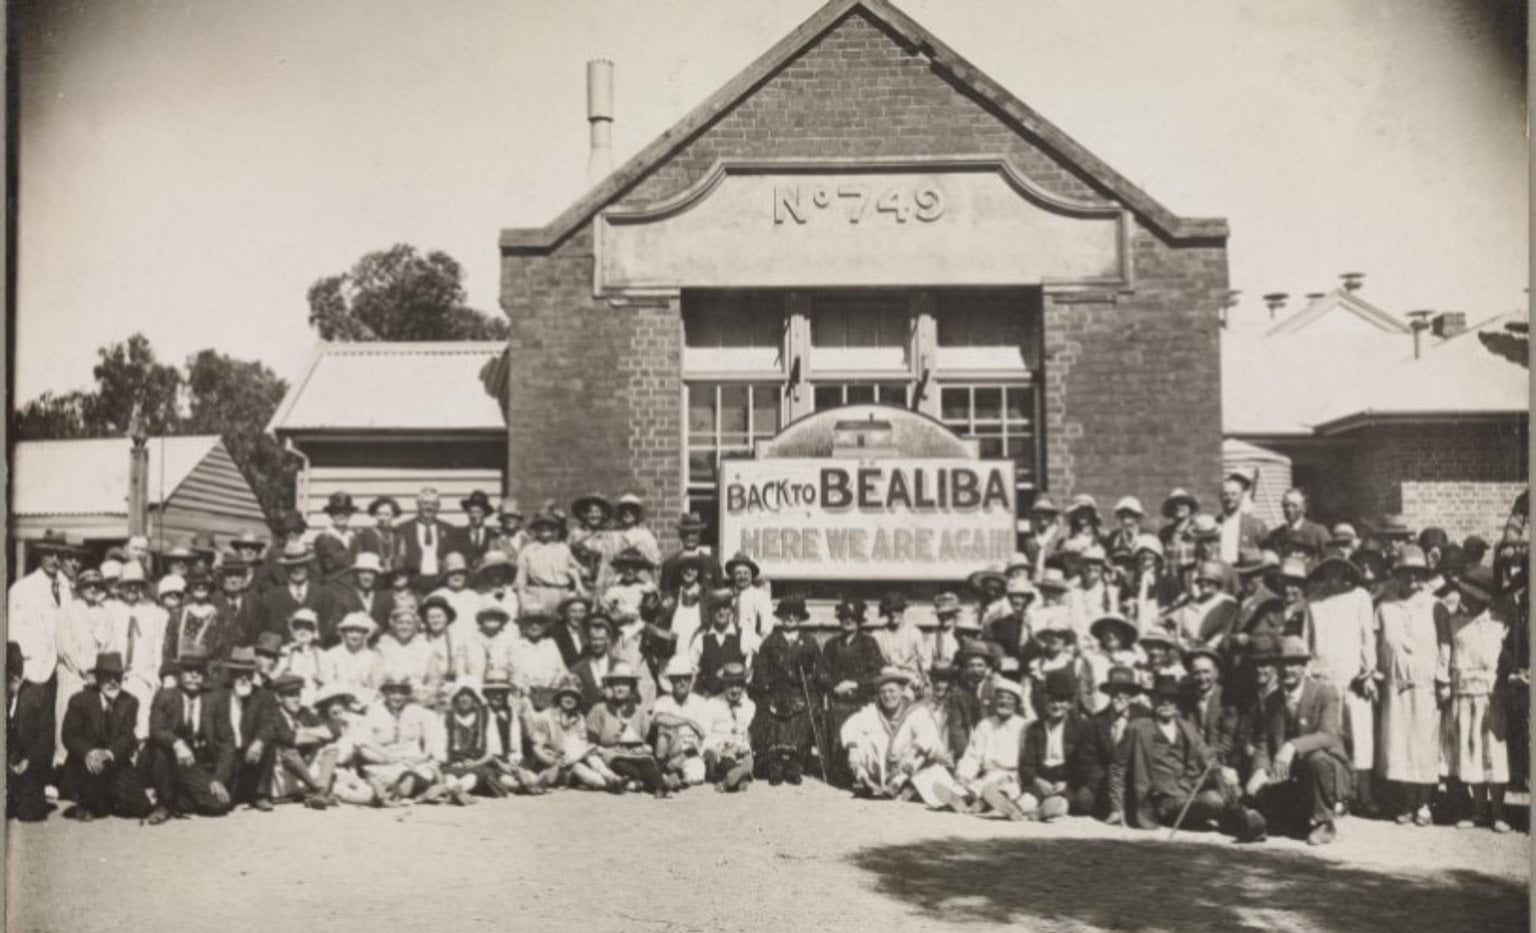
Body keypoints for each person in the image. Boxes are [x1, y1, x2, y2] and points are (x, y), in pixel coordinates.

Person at [1108, 675, 1266, 840]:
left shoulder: (1186, 727)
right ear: (1152, 699)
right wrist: (1116, 807)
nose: (1166, 703)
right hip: (1162, 802)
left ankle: (1245, 824)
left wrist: (1224, 770)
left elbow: (1207, 756)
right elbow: (1117, 767)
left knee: (1225, 782)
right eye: (1161, 698)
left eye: (1171, 699)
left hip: (1188, 791)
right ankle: (1241, 822)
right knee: (1213, 800)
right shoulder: (1138, 728)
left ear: (1177, 702)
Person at [1245, 636, 1353, 845]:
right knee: (1258, 798)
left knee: (1317, 759)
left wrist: (1291, 746)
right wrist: (1258, 770)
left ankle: (1324, 823)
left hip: (1326, 770)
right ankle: (1286, 818)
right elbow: (1264, 742)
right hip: (1289, 772)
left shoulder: (1324, 692)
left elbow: (1328, 735)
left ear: (1305, 667)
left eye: (1294, 664)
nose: (1288, 670)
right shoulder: (1273, 699)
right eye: (1283, 664)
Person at [1438, 566, 1513, 832]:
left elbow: (1508, 658)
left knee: (1493, 752)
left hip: (1490, 695)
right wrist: (1445, 683)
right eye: (1464, 595)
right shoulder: (1453, 622)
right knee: (1471, 752)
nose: (1467, 600)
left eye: (1474, 597)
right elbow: (1446, 657)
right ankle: (1479, 810)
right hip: (1463, 695)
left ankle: (1499, 812)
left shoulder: (1499, 623)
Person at [1305, 549, 1379, 813]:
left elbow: (1367, 637)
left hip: (1353, 678)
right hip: (1324, 677)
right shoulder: (1313, 601)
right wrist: (1309, 675)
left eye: (1338, 569)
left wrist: (1369, 671)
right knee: (1333, 738)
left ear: (1346, 571)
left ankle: (1365, 795)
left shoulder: (1359, 597)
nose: (1333, 576)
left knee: (1360, 736)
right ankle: (1337, 795)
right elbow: (1307, 642)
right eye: (1328, 570)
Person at [1375, 545, 1442, 826]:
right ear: (1398, 576)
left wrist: (1443, 678)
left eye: (1416, 576)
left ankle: (1424, 803)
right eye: (1406, 575)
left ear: (1423, 577)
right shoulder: (1385, 607)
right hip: (1395, 685)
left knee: (1423, 743)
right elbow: (1377, 644)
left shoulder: (1434, 606)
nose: (1411, 582)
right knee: (1399, 743)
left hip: (1426, 685)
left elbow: (1445, 645)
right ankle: (1405, 802)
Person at [142, 647, 237, 824]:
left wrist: (218, 778)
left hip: (196, 765)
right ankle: (164, 803)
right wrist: (177, 743)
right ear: (179, 674)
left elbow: (227, 742)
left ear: (205, 675)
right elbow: (155, 730)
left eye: (199, 671)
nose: (194, 675)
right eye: (188, 671)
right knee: (159, 751)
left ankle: (177, 799)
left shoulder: (215, 700)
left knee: (219, 804)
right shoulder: (165, 696)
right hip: (170, 759)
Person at [840, 668, 958, 805]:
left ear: (902, 692)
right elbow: (851, 725)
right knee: (861, 740)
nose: (888, 696)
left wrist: (913, 750)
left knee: (923, 749)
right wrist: (853, 750)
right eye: (883, 693)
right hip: (879, 768)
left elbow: (928, 735)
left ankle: (897, 784)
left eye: (892, 691)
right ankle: (864, 780)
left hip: (905, 766)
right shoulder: (872, 711)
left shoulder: (915, 712)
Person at [10, 530, 78, 766]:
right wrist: (20, 667)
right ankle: (26, 777)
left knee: (56, 722)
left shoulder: (68, 589)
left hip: (61, 668)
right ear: (39, 555)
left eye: (59, 554)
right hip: (34, 667)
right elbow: (13, 634)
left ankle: (52, 776)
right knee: (29, 725)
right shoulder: (22, 588)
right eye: (49, 554)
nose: (55, 560)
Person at [58, 651, 152, 821]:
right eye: (107, 677)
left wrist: (109, 753)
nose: (113, 682)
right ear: (98, 678)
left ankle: (106, 798)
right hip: (84, 763)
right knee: (98, 809)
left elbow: (126, 737)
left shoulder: (130, 702)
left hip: (114, 761)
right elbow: (69, 736)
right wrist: (89, 752)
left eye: (117, 677)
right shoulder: (80, 700)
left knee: (141, 807)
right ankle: (85, 803)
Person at [749, 595, 827, 784]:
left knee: (807, 713)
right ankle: (775, 762)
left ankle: (796, 763)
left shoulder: (809, 642)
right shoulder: (770, 642)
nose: (790, 618)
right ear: (780, 617)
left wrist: (810, 676)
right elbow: (760, 670)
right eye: (786, 614)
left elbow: (819, 671)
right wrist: (766, 685)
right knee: (769, 715)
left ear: (800, 618)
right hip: (776, 692)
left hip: (800, 691)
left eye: (795, 614)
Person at [944, 678, 1032, 819]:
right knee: (971, 787)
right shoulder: (985, 725)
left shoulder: (1024, 727)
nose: (1004, 702)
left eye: (1009, 698)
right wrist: (964, 776)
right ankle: (960, 800)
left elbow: (1028, 760)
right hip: (988, 774)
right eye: (1001, 697)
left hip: (1011, 776)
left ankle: (984, 804)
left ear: (1016, 703)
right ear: (995, 701)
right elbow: (973, 755)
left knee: (1000, 789)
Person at [356, 675, 447, 806]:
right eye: (393, 692)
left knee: (425, 773)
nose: (397, 697)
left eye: (402, 693)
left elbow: (429, 741)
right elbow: (363, 746)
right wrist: (384, 760)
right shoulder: (373, 712)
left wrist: (422, 758)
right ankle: (404, 792)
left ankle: (397, 792)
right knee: (389, 776)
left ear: (407, 694)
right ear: (385, 693)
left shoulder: (417, 711)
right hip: (384, 763)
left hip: (413, 762)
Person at [823, 598, 885, 787]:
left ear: (859, 621)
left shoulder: (869, 643)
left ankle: (861, 774)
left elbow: (876, 671)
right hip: (839, 700)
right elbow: (822, 671)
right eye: (844, 617)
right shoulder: (831, 644)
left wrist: (855, 683)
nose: (848, 621)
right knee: (837, 737)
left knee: (860, 737)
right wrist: (834, 686)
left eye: (852, 617)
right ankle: (840, 775)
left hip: (861, 701)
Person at [54, 568, 113, 765]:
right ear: (80, 587)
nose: (93, 589)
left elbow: (108, 645)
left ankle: (89, 764)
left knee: (93, 719)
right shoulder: (68, 610)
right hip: (73, 673)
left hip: (96, 676)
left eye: (97, 585)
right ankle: (61, 765)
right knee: (68, 718)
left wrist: (99, 672)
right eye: (88, 585)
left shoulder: (105, 612)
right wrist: (82, 669)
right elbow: (64, 645)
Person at [1074, 665, 1146, 819]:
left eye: (1125, 691)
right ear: (1109, 693)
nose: (1120, 695)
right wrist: (1108, 783)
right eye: (1115, 690)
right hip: (1105, 781)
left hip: (1136, 780)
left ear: (1132, 694)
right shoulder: (1095, 722)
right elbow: (1088, 760)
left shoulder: (1145, 718)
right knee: (1082, 801)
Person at [106, 561, 169, 739]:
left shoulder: (154, 611)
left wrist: (156, 676)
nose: (132, 588)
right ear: (120, 586)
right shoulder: (109, 608)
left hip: (143, 676)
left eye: (137, 584)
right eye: (128, 584)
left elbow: (158, 645)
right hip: (115, 675)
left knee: (142, 725)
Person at [586, 662, 668, 797]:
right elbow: (591, 741)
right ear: (610, 686)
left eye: (624, 684)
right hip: (612, 755)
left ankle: (659, 787)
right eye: (616, 684)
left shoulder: (640, 711)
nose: (619, 688)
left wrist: (647, 748)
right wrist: (602, 750)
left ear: (631, 687)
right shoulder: (600, 709)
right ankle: (642, 783)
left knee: (649, 767)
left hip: (637, 753)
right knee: (627, 768)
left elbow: (649, 739)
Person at [1016, 669, 1086, 821]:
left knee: (1062, 802)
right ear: (1045, 701)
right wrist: (1037, 780)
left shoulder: (1080, 727)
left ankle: (1043, 812)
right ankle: (1018, 808)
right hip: (1042, 778)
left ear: (1069, 703)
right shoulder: (1035, 728)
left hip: (1064, 780)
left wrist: (1066, 783)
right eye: (1052, 700)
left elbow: (1084, 764)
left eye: (1061, 701)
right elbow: (1026, 763)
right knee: (1027, 799)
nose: (1056, 705)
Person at [263, 674, 342, 809]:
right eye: (291, 695)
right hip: (283, 775)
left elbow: (334, 731)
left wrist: (304, 731)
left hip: (304, 772)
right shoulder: (273, 716)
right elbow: (290, 739)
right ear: (278, 698)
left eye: (298, 694)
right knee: (287, 750)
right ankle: (318, 791)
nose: (297, 699)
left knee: (331, 746)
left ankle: (319, 791)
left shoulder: (303, 712)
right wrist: (315, 734)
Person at [526, 673, 614, 790]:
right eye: (566, 695)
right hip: (552, 764)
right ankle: (609, 783)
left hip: (573, 760)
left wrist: (583, 752)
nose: (570, 699)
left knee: (590, 755)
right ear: (559, 696)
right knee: (595, 780)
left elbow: (581, 744)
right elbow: (536, 748)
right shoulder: (546, 717)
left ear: (578, 700)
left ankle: (613, 778)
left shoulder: (579, 718)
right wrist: (552, 761)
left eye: (574, 696)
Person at [223, 646, 279, 812]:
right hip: (225, 757)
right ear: (231, 674)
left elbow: (271, 723)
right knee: (222, 804)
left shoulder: (263, 696)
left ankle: (259, 794)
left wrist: (259, 742)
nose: (244, 678)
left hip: (250, 756)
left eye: (248, 673)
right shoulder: (219, 695)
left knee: (268, 743)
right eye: (238, 673)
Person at [7, 641, 52, 822]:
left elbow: (46, 737)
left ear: (13, 677)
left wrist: (28, 760)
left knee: (29, 812)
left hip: (29, 766)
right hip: (8, 765)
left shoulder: (39, 694)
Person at [258, 541, 336, 645]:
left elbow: (327, 630)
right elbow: (267, 632)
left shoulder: (323, 594)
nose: (297, 569)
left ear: (308, 566)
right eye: (292, 565)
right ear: (285, 568)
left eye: (302, 565)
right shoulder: (272, 597)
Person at [652, 656, 711, 789]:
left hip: (691, 752)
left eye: (686, 678)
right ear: (671, 681)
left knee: (696, 776)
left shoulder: (700, 703)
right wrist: (687, 721)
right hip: (668, 752)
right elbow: (658, 719)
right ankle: (665, 770)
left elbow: (703, 735)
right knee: (665, 730)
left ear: (691, 680)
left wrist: (684, 756)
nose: (682, 682)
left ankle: (673, 776)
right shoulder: (662, 701)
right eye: (678, 678)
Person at [439, 682, 502, 804]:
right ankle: (457, 792)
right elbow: (441, 746)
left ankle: (455, 790)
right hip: (454, 764)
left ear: (475, 698)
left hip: (478, 763)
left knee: (473, 776)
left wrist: (476, 763)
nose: (464, 698)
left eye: (469, 695)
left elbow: (493, 751)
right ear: (456, 698)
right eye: (461, 695)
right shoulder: (447, 717)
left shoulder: (486, 716)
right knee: (449, 775)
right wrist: (450, 762)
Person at [515, 510, 587, 616]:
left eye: (549, 525)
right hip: (539, 593)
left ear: (555, 529)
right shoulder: (528, 550)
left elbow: (573, 569)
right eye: (541, 526)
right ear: (535, 529)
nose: (545, 528)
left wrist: (579, 583)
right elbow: (520, 581)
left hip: (563, 593)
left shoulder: (563, 548)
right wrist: (524, 602)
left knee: (561, 627)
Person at [689, 589, 758, 697]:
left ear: (731, 611)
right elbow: (692, 669)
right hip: (710, 700)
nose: (721, 612)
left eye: (725, 608)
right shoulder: (701, 638)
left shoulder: (744, 635)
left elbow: (752, 666)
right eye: (717, 608)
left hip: (736, 698)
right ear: (711, 611)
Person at [700, 662, 756, 793]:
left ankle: (733, 778)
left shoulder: (749, 706)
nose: (734, 690)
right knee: (726, 762)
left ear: (744, 686)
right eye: (730, 685)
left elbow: (747, 734)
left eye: (738, 685)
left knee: (748, 759)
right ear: (724, 685)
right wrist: (717, 749)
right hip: (718, 754)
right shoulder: (712, 704)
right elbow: (704, 735)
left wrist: (742, 747)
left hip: (739, 752)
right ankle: (737, 777)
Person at [1172, 560, 1240, 649]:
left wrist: (1208, 647)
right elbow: (1178, 633)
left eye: (1209, 581)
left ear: (1217, 584)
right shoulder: (1188, 607)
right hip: (1188, 651)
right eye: (1201, 581)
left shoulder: (1227, 603)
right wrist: (1186, 646)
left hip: (1216, 652)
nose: (1204, 584)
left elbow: (1225, 631)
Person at [505, 609, 569, 702]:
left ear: (545, 626)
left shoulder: (550, 644)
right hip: (524, 696)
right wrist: (527, 691)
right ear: (524, 625)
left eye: (539, 623)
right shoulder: (516, 645)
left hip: (550, 695)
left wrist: (550, 691)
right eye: (530, 623)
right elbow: (513, 673)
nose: (534, 626)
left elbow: (561, 670)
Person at [397, 487, 454, 589]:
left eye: (433, 504)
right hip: (414, 584)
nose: (429, 507)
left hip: (440, 583)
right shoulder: (404, 528)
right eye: (425, 503)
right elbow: (400, 558)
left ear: (438, 507)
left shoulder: (448, 529)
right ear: (418, 505)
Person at [321, 612, 384, 701]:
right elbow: (328, 683)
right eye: (350, 631)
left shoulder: (373, 657)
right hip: (339, 701)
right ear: (344, 633)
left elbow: (377, 685)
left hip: (366, 701)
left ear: (365, 634)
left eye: (358, 631)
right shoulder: (332, 654)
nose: (354, 635)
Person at [875, 591, 928, 694]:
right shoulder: (878, 635)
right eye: (889, 610)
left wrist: (922, 681)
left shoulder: (914, 633)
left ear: (903, 610)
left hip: (910, 682)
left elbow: (924, 663)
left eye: (897, 610)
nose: (893, 614)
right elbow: (878, 666)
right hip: (887, 682)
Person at [375, 607, 435, 696]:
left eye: (409, 623)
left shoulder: (426, 648)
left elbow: (433, 680)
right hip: (389, 696)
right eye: (400, 622)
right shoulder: (381, 648)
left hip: (418, 697)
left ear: (415, 626)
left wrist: (426, 693)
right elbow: (375, 680)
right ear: (393, 624)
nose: (405, 627)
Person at [658, 512, 723, 593]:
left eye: (694, 533)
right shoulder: (670, 565)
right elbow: (664, 593)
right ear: (680, 535)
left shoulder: (712, 564)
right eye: (686, 533)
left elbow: (720, 594)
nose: (690, 537)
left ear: (700, 536)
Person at [984, 577, 1036, 678]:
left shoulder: (1035, 621)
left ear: (1028, 600)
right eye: (1014, 596)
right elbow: (991, 644)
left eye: (1022, 597)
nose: (1017, 600)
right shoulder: (1000, 623)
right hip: (1007, 672)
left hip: (1030, 672)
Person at [331, 552, 395, 631]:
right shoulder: (344, 597)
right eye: (362, 572)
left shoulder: (386, 597)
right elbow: (335, 627)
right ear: (356, 574)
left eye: (371, 572)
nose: (366, 577)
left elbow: (392, 626)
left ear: (376, 575)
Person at [1265, 489, 1331, 559]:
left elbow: (1330, 560)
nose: (1289, 509)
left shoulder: (1318, 532)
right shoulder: (1275, 535)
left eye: (1294, 505)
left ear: (1304, 508)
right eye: (1286, 505)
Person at [276, 609, 325, 704]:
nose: (303, 631)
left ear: (314, 630)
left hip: (315, 706)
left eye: (307, 627)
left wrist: (323, 681)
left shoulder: (323, 656)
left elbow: (331, 686)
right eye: (298, 627)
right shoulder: (283, 653)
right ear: (292, 630)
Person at [1217, 473, 1268, 565]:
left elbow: (1267, 555)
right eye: (1225, 494)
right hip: (1220, 574)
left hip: (1246, 575)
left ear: (1242, 496)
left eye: (1234, 494)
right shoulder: (1215, 524)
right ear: (1220, 498)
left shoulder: (1256, 524)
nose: (1229, 498)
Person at [570, 615, 618, 710]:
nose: (597, 644)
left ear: (608, 640)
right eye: (594, 639)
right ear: (588, 640)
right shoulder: (577, 669)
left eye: (600, 639)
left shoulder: (619, 666)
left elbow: (634, 696)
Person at [724, 552, 774, 640]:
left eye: (746, 573)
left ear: (751, 576)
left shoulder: (760, 596)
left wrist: (757, 646)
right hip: (727, 645)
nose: (742, 577)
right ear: (732, 575)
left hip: (751, 644)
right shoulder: (725, 594)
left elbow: (766, 627)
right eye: (738, 573)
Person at [315, 492, 362, 581]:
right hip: (332, 587)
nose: (341, 515)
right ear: (331, 515)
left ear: (350, 514)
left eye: (345, 511)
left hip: (353, 587)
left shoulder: (355, 537)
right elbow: (324, 567)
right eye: (337, 512)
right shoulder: (323, 539)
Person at [451, 490, 497, 568]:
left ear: (484, 513)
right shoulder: (459, 535)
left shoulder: (493, 535)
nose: (474, 516)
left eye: (478, 512)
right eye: (471, 512)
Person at [551, 595, 592, 669]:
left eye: (582, 611)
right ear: (565, 614)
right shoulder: (555, 633)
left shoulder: (591, 632)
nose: (578, 616)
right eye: (573, 611)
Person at [928, 592, 966, 666]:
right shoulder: (932, 637)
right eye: (941, 615)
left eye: (949, 614)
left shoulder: (964, 635)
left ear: (955, 615)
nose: (945, 618)